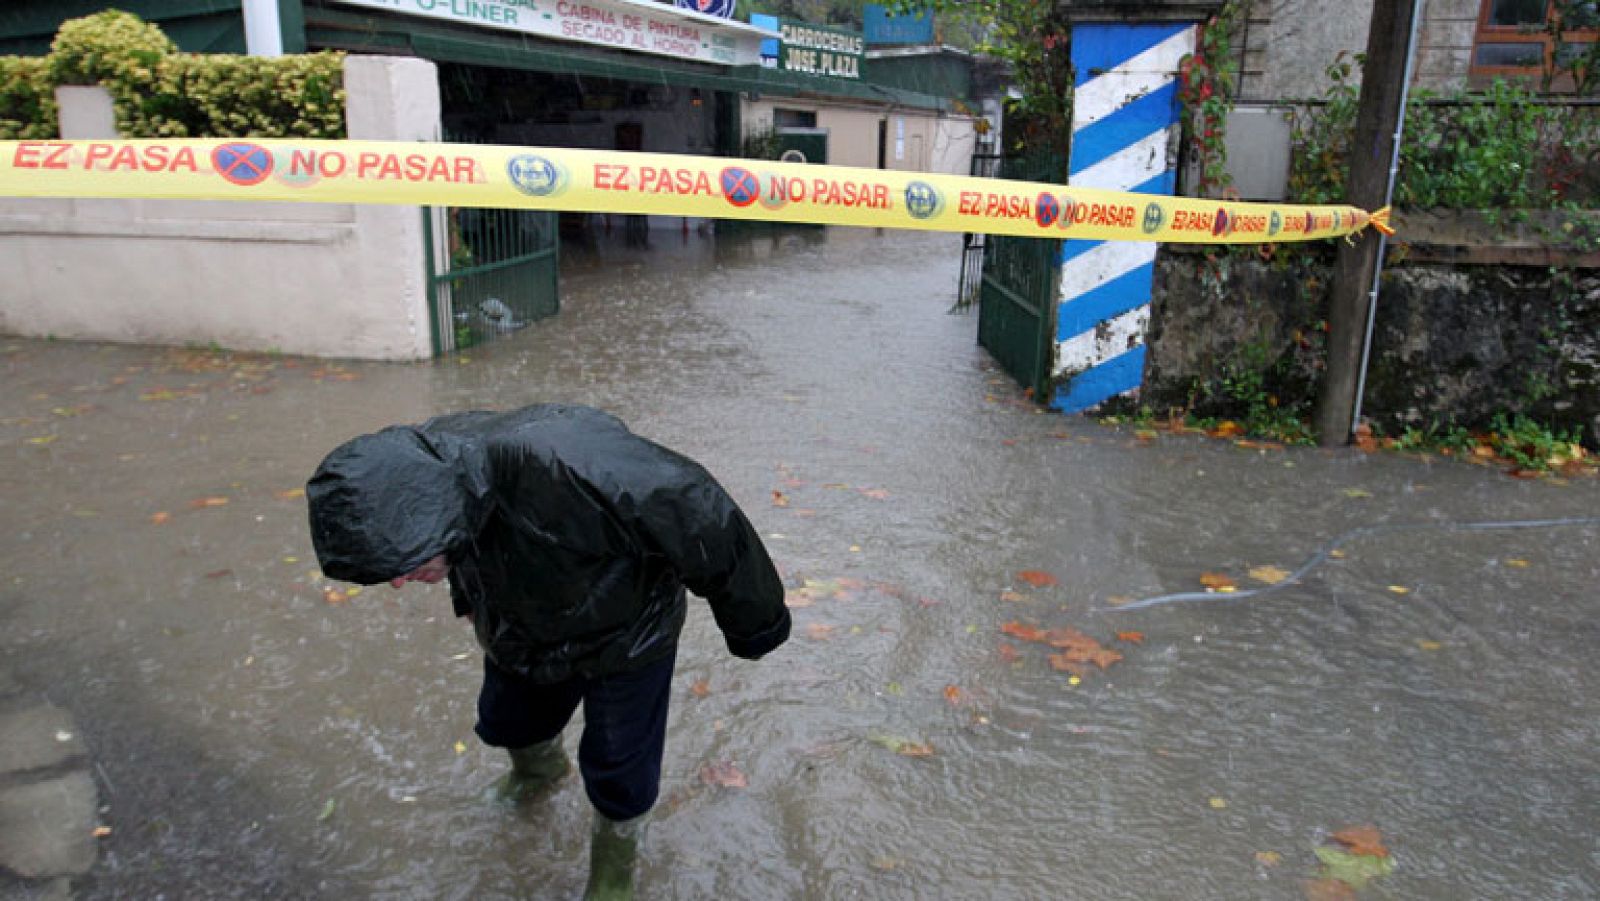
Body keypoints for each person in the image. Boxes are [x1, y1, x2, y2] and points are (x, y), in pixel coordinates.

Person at [305, 404, 790, 900]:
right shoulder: (423, 466)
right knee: (505, 722)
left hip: (627, 633)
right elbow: (457, 539)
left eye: (402, 565)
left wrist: (757, 626)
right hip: (519, 621)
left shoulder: (571, 465)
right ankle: (540, 771)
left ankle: (613, 875)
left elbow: (703, 512)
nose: (400, 583)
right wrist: (466, 597)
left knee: (621, 767)